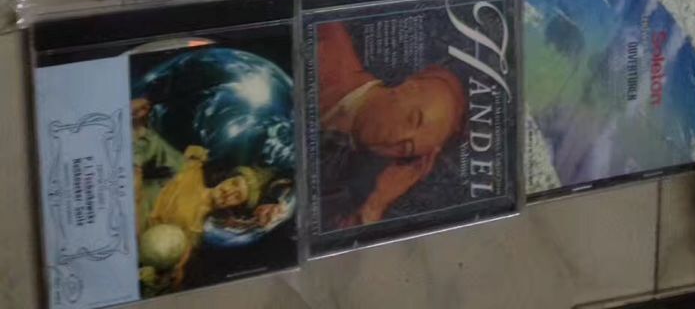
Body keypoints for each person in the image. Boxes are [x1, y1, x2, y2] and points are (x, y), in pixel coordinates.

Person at [316, 21, 465, 228]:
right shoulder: (326, 39)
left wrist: (376, 202)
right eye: (412, 119)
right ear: (407, 87)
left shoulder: (341, 177)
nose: (397, 139)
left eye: (406, 148)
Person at [132, 99, 290, 292]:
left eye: (237, 196)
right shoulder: (191, 170)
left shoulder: (195, 236)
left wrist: (161, 277)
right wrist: (136, 170)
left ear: (233, 207)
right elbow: (150, 143)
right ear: (227, 178)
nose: (229, 192)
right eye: (233, 183)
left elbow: (164, 278)